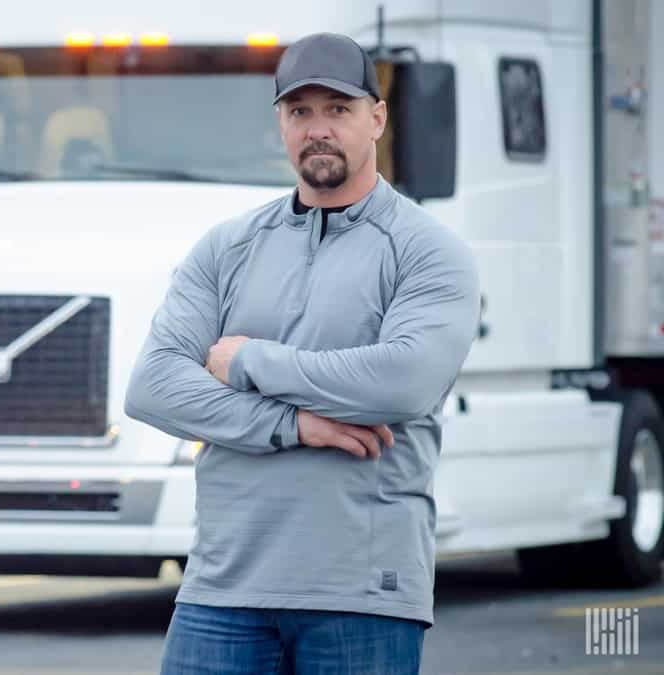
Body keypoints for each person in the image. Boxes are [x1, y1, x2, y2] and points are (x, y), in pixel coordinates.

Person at [125, 33, 481, 674]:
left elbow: (402, 380)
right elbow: (152, 385)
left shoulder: (428, 250)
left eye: (338, 109)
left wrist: (247, 362)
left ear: (377, 117)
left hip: (363, 595)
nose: (318, 129)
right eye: (300, 112)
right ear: (280, 125)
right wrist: (292, 425)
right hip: (221, 590)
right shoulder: (227, 247)